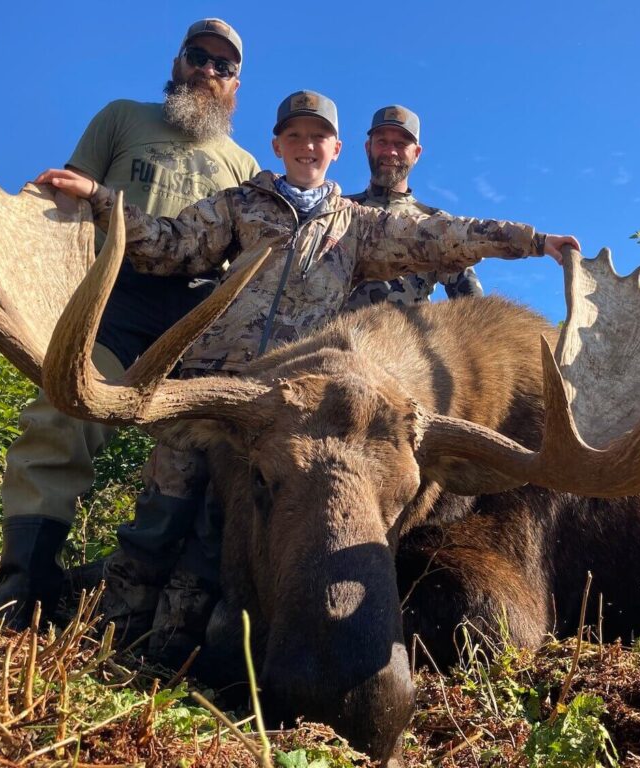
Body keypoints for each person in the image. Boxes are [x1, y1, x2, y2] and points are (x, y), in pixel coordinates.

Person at [35, 90, 580, 657]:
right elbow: (172, 245)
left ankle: (174, 650)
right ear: (277, 145)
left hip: (293, 414)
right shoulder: (240, 203)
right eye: (294, 136)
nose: (305, 146)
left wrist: (533, 242)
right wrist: (100, 198)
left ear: (336, 149)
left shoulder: (360, 226)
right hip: (216, 390)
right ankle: (115, 639)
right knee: (160, 513)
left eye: (317, 137)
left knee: (220, 533)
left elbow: (448, 240)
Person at [0, 18, 260, 630]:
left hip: (195, 319)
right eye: (199, 56)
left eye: (224, 66)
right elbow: (64, 196)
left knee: (202, 457)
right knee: (60, 419)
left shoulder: (243, 162)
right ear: (178, 60)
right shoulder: (122, 118)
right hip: (113, 300)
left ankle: (164, 614)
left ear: (235, 84)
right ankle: (21, 592)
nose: (209, 71)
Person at [346, 105, 482, 309]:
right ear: (368, 147)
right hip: (336, 339)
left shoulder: (437, 223)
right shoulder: (336, 211)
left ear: (417, 153)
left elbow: (472, 304)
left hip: (409, 338)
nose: (390, 151)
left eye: (400, 144)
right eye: (382, 142)